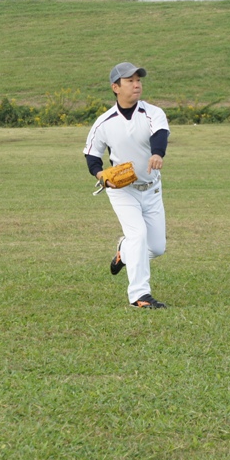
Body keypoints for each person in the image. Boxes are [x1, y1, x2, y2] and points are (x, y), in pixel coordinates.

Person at [83, 62, 170, 309]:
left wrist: (158, 153)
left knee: (156, 247)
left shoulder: (153, 113)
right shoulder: (104, 122)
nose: (137, 84)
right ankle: (140, 296)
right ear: (115, 87)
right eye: (130, 81)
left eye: (138, 79)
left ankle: (123, 250)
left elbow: (160, 134)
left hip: (152, 188)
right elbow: (91, 155)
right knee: (138, 235)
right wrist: (101, 175)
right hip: (122, 191)